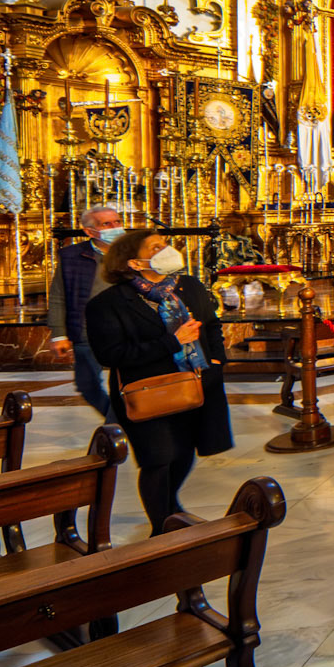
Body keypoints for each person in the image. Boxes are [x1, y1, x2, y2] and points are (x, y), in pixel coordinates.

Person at [85, 227, 232, 532]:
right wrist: (172, 342)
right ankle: (160, 525)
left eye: (164, 244)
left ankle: (172, 506)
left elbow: (212, 324)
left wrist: (217, 360)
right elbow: (111, 354)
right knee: (158, 459)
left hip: (198, 383)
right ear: (133, 264)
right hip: (150, 390)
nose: (166, 250)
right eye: (154, 248)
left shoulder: (189, 286)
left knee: (186, 451)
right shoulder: (107, 304)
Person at [47, 203, 123, 416]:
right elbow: (58, 296)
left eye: (117, 222)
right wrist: (58, 334)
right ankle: (121, 422)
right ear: (90, 231)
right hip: (87, 331)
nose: (115, 227)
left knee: (125, 385)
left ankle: (115, 428)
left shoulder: (133, 253)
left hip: (126, 331)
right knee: (86, 385)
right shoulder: (72, 256)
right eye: (107, 224)